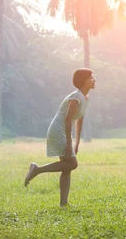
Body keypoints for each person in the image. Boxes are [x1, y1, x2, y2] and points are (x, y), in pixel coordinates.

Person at [24, 68, 95, 206]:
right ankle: (37, 169)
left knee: (67, 168)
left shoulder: (86, 98)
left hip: (63, 130)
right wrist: (69, 143)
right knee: (73, 164)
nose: (94, 80)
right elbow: (68, 120)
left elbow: (79, 120)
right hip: (58, 130)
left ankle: (64, 203)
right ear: (83, 81)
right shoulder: (76, 97)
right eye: (91, 77)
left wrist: (77, 143)